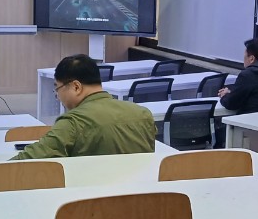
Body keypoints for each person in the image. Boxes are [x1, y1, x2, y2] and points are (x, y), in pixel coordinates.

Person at [12, 54, 157, 160]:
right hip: (140, 193)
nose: (58, 96)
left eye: (58, 89)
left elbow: (28, 160)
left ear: (76, 87)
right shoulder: (143, 114)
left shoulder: (73, 122)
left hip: (91, 193)